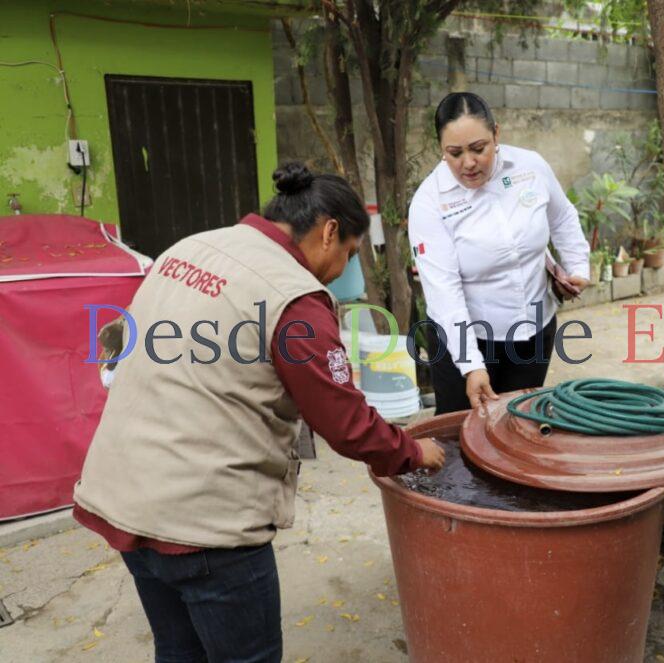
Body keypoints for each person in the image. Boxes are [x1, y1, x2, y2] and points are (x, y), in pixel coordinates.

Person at [73, 163, 446, 663]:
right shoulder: (294, 298)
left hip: (123, 498)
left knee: (179, 652)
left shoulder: (188, 248)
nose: (343, 270)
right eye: (350, 253)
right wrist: (413, 451)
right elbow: (348, 426)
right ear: (329, 231)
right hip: (207, 527)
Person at [408, 92, 592, 414]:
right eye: (454, 153)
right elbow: (444, 292)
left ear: (496, 134)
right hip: (466, 340)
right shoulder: (429, 202)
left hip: (534, 330)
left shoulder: (530, 167)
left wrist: (577, 266)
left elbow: (562, 216)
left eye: (478, 148)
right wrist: (471, 365)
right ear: (441, 149)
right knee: (463, 432)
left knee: (520, 424)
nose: (468, 162)